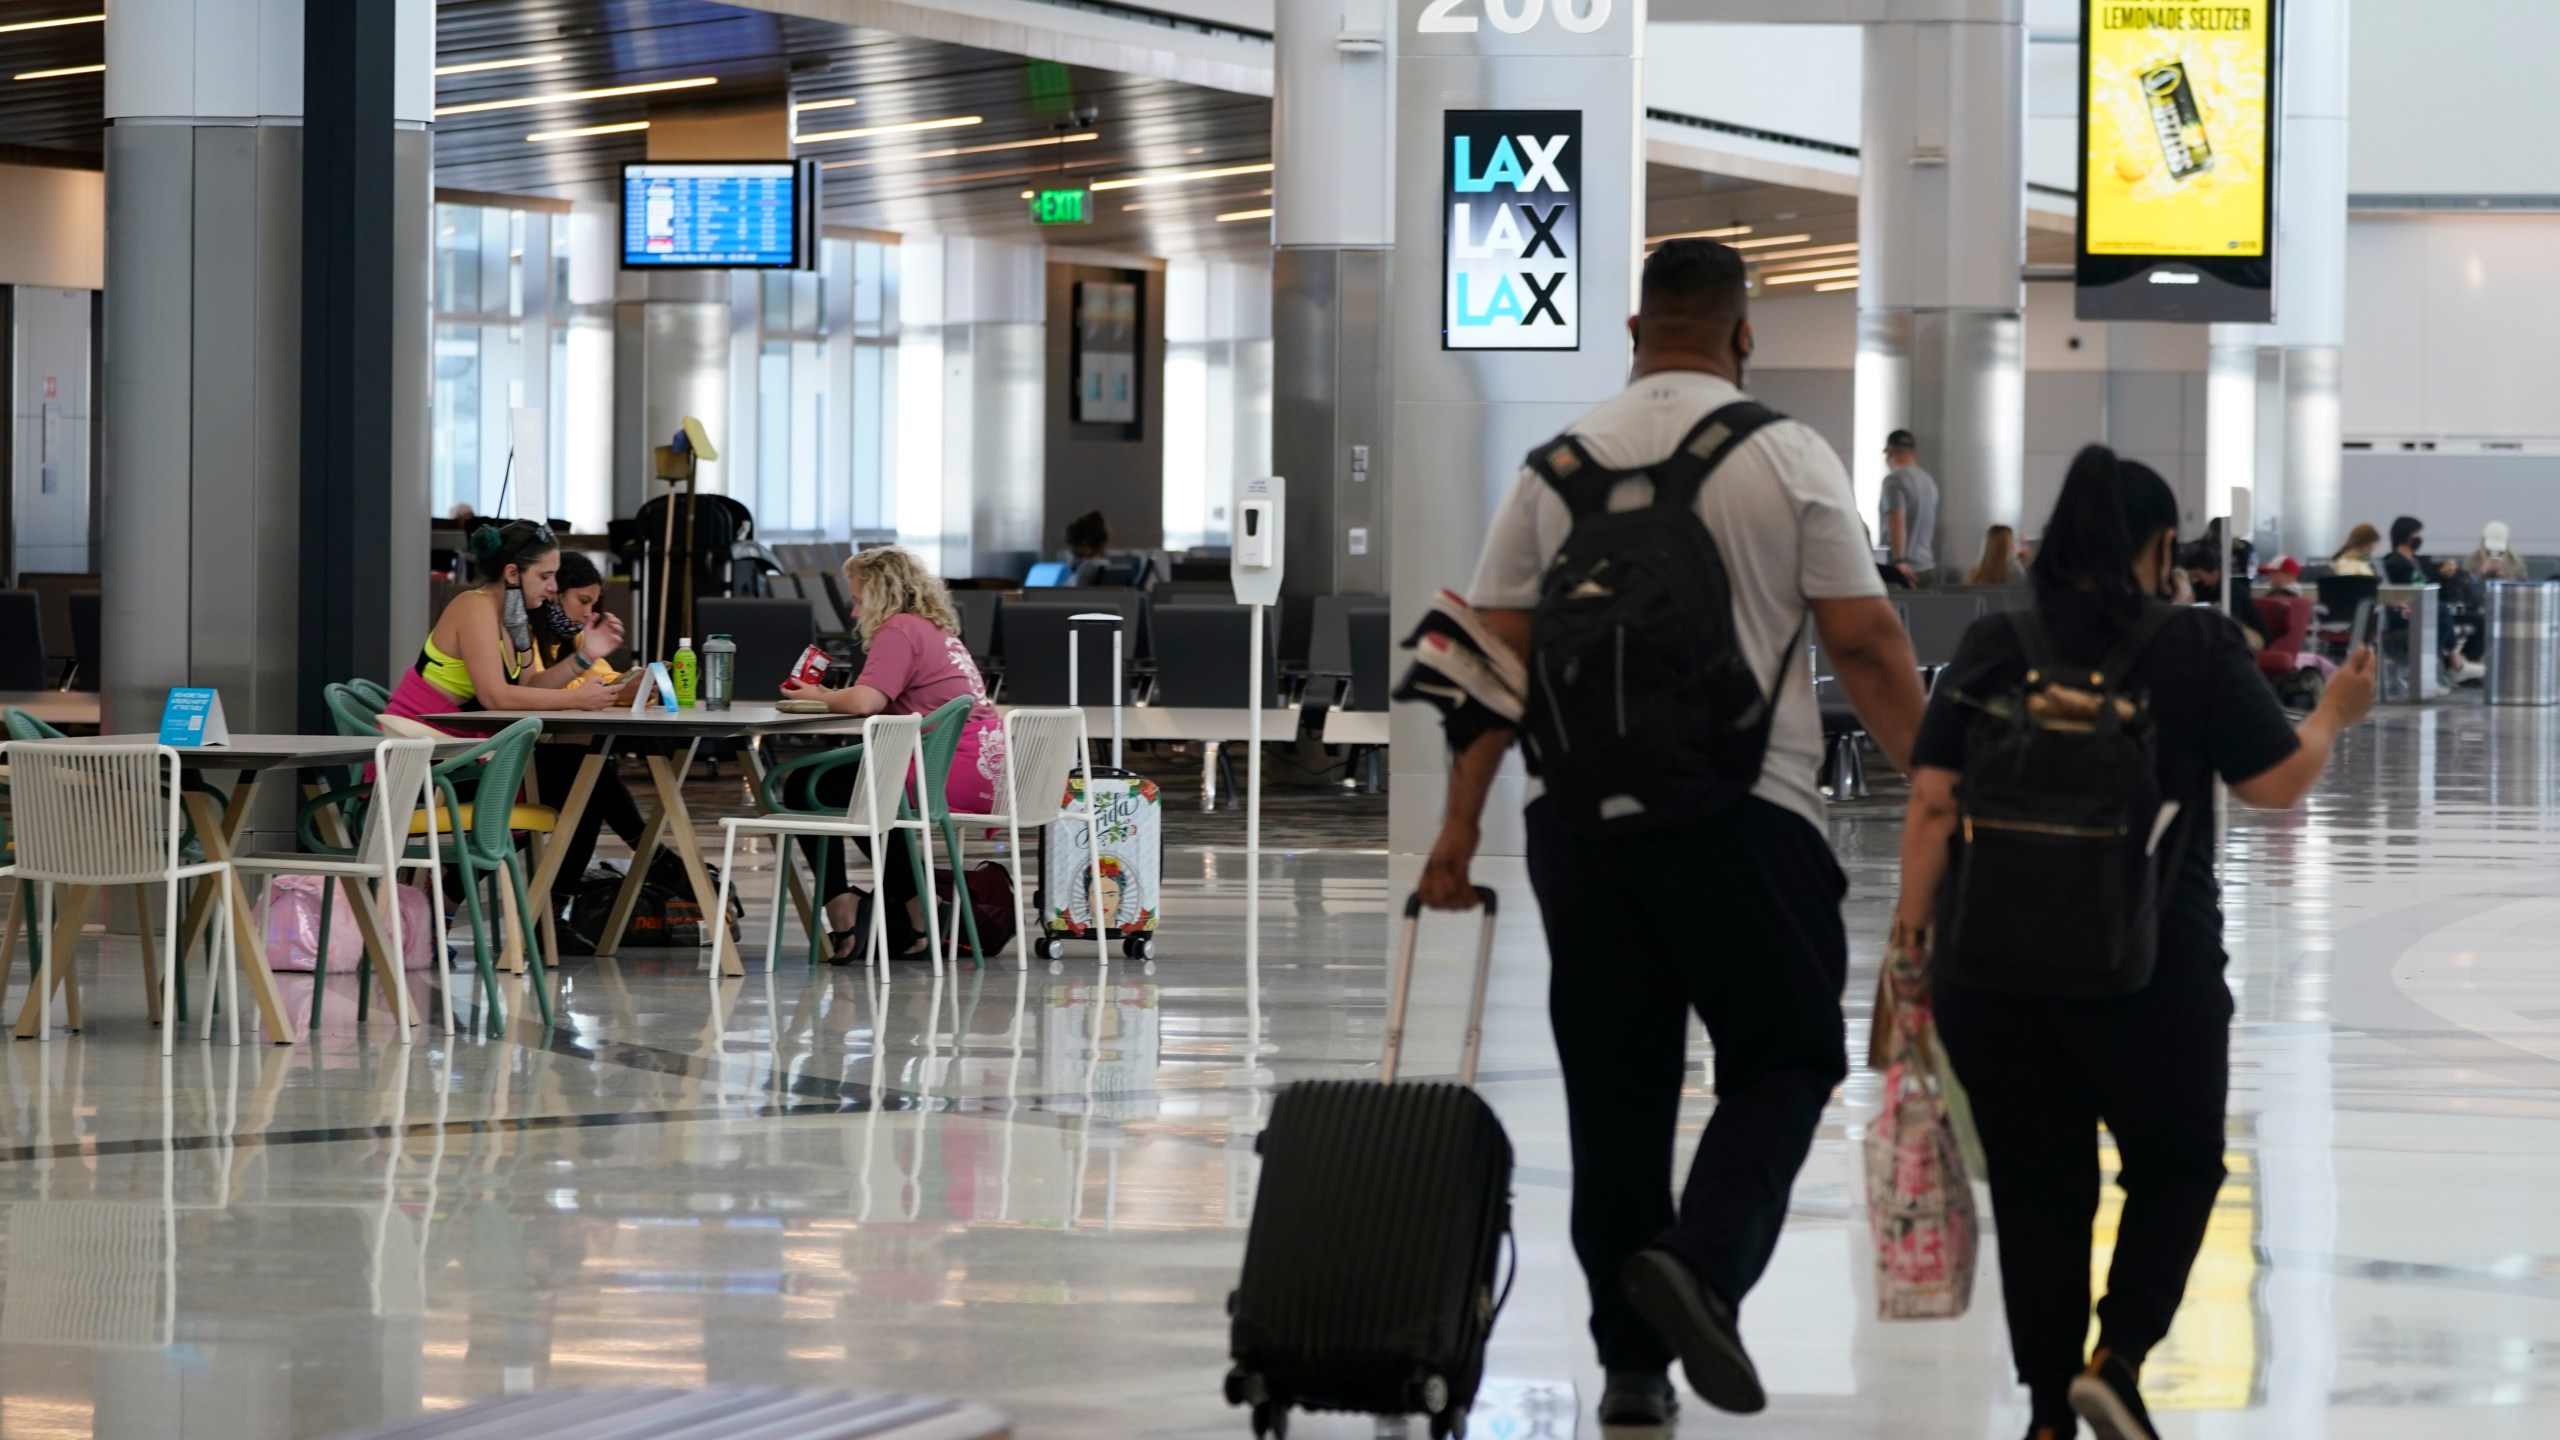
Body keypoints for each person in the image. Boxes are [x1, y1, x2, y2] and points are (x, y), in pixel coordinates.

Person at [1419, 239, 1929, 1429]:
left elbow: (1483, 653)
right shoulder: (1790, 455)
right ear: (1744, 337)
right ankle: (1702, 1265)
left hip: (1580, 828)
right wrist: (1942, 785)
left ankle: (1633, 1374)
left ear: (1633, 330)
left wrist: (1455, 831)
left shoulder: (1551, 469)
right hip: (1749, 820)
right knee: (1787, 1057)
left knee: (1617, 1094)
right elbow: (1864, 643)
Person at [1893, 445, 2376, 1440]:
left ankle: (2042, 1415)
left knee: (2039, 1191)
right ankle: (2117, 1360)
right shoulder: (2196, 645)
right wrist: (2331, 714)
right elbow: (2275, 784)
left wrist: (1909, 951)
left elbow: (1933, 808)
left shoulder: (1993, 644)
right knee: (2178, 1163)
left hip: (1993, 971)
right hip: (2151, 965)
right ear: (2161, 544)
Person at [778, 546, 1004, 961]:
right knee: (870, 788)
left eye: (858, 599)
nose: (853, 612)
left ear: (881, 594)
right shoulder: (934, 630)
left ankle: (844, 909)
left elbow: (866, 701)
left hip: (942, 771)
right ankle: (920, 908)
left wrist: (815, 695)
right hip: (981, 770)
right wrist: (828, 695)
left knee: (804, 787)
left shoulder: (898, 629)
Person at [383, 521, 636, 729]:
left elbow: (529, 688)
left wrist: (585, 656)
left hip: (450, 743)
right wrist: (576, 699)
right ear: (512, 573)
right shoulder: (474, 606)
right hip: (416, 747)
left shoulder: (515, 617)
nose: (554, 588)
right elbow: (494, 696)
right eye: (545, 576)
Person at [526, 552, 648, 946]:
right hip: (500, 759)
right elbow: (542, 690)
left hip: (536, 752)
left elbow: (598, 681)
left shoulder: (570, 636)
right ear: (553, 591)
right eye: (582, 601)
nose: (588, 613)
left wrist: (634, 683)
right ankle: (651, 855)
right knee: (586, 776)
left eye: (595, 604)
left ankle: (553, 913)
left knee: (588, 778)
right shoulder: (523, 633)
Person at [2381, 517, 2483, 683]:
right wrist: (2438, 576)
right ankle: (2452, 664)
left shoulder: (2419, 561)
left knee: (2478, 621)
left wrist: (2446, 575)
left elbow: (2431, 584)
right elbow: (2410, 589)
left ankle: (2459, 668)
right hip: (2411, 613)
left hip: (2430, 608)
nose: (2419, 538)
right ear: (2406, 536)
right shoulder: (2394, 562)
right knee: (2441, 611)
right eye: (2416, 534)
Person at [1879, 428, 1940, 585]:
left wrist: (1899, 560)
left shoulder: (1893, 480)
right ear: (1914, 454)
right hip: (1927, 567)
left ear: (1889, 451)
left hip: (1904, 571)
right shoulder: (1929, 482)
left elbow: (1896, 519)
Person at [1059, 509, 1113, 584]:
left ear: (1084, 544)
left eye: (1073, 545)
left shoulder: (1086, 568)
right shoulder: (1106, 564)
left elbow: (1068, 593)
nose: (1071, 550)